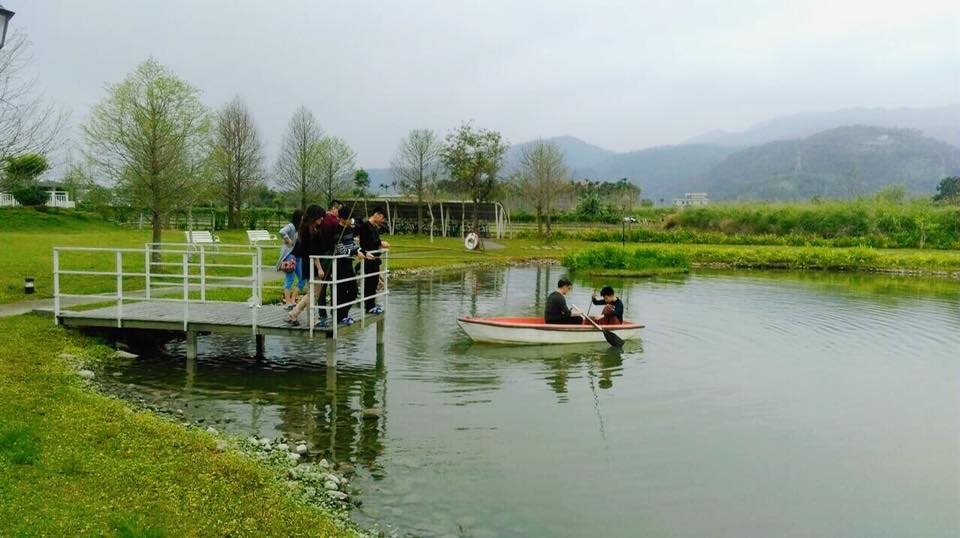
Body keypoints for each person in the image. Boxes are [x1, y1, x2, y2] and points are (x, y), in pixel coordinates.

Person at [283, 205, 326, 327]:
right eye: (320, 216)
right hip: (312, 264)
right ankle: (309, 319)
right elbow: (313, 251)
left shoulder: (305, 228)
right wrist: (319, 268)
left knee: (311, 293)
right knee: (314, 294)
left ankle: (294, 314)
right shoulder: (310, 230)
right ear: (314, 216)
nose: (322, 219)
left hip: (308, 264)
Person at [332, 205, 372, 325]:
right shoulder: (336, 230)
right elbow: (340, 250)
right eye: (349, 219)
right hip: (339, 265)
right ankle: (339, 317)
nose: (351, 221)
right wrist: (355, 253)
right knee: (341, 291)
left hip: (348, 264)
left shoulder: (349, 229)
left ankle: (344, 315)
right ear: (343, 219)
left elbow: (353, 245)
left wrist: (363, 251)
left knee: (354, 291)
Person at [357, 206, 391, 314]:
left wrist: (381, 244)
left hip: (375, 259)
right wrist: (381, 243)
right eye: (381, 217)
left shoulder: (374, 227)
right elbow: (367, 242)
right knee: (369, 282)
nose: (382, 220)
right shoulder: (365, 226)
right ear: (376, 214)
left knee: (374, 281)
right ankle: (368, 306)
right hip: (368, 258)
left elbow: (376, 240)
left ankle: (372, 304)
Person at [277, 209, 305, 309]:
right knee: (290, 278)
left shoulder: (301, 228)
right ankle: (287, 302)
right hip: (290, 255)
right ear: (298, 217)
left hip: (299, 256)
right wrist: (287, 239)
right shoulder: (292, 226)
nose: (304, 218)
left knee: (302, 279)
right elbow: (282, 231)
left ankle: (293, 299)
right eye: (302, 217)